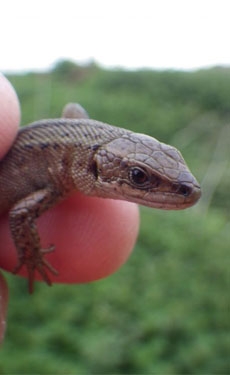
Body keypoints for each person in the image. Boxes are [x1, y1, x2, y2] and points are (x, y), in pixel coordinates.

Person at [0, 74, 139, 342]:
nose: (180, 192)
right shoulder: (59, 186)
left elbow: (73, 110)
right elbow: (20, 215)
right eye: (139, 177)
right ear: (96, 167)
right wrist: (32, 256)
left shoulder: (68, 172)